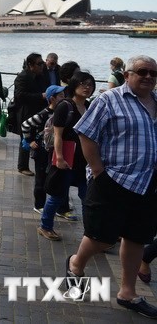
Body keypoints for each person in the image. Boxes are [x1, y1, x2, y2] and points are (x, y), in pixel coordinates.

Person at [67, 55, 157, 319]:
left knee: (136, 237)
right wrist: (98, 171)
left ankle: (127, 292)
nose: (149, 77)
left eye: (154, 73)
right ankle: (76, 263)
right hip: (113, 180)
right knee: (101, 237)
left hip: (148, 183)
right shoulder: (110, 99)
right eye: (142, 72)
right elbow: (85, 132)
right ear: (127, 74)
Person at [38, 71, 95, 241]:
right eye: (83, 84)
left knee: (87, 197)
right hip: (67, 157)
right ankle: (45, 226)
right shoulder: (65, 106)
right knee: (57, 195)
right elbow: (58, 135)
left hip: (84, 160)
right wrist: (60, 157)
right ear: (74, 86)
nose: (87, 87)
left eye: (90, 85)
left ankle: (91, 234)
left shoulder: (89, 106)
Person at [21, 85, 66, 214]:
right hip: (41, 150)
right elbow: (25, 125)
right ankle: (39, 205)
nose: (64, 98)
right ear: (52, 98)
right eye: (61, 96)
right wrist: (30, 141)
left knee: (54, 178)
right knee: (40, 178)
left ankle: (59, 205)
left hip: (54, 150)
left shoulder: (61, 112)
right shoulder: (43, 114)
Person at [13, 53, 50, 176]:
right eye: (39, 64)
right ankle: (22, 166)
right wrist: (41, 96)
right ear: (30, 65)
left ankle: (41, 164)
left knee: (40, 136)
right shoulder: (22, 77)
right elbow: (20, 95)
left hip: (41, 111)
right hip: (26, 112)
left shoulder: (43, 75)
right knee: (26, 137)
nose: (42, 66)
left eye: (42, 63)